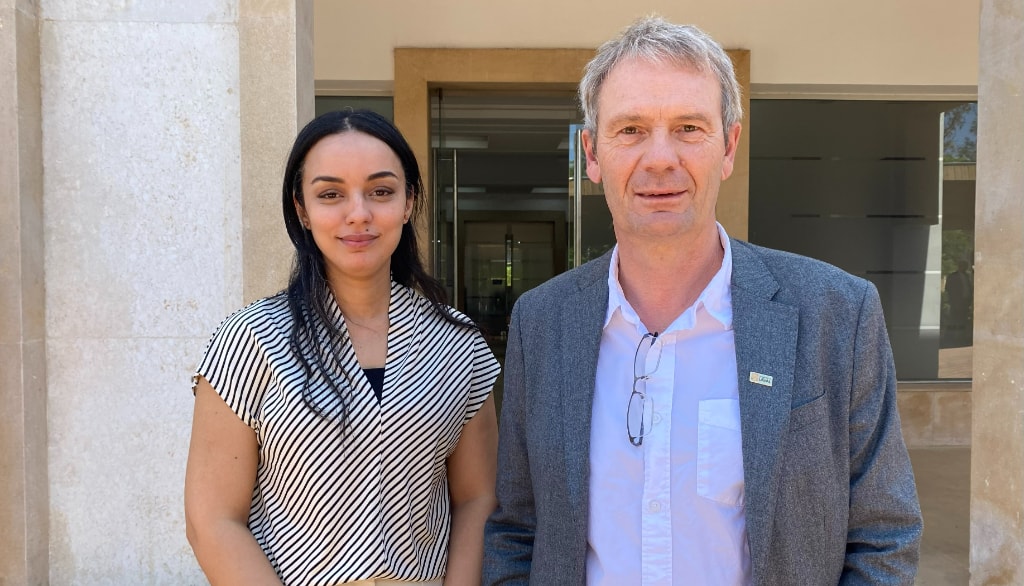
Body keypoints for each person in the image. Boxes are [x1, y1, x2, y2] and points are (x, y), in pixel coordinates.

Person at [483, 16, 922, 585]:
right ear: (592, 153)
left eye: (689, 127)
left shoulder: (837, 313)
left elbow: (884, 537)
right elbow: (517, 530)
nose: (660, 158)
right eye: (631, 129)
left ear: (728, 146)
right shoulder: (542, 322)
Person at [185, 109, 501, 586]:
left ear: (409, 201)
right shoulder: (250, 339)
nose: (359, 213)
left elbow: (477, 497)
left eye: (381, 191)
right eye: (331, 194)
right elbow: (212, 519)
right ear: (302, 209)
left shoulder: (458, 343)